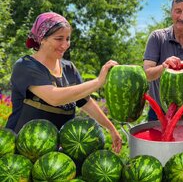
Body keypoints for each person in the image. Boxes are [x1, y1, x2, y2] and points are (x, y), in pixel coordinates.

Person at [6, 12, 122, 153]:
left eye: (67, 39)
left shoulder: (69, 68)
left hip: (55, 154)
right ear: (42, 39)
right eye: (59, 39)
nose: (65, 45)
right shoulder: (25, 66)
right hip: (22, 149)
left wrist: (111, 128)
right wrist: (98, 82)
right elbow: (54, 98)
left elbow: (86, 102)